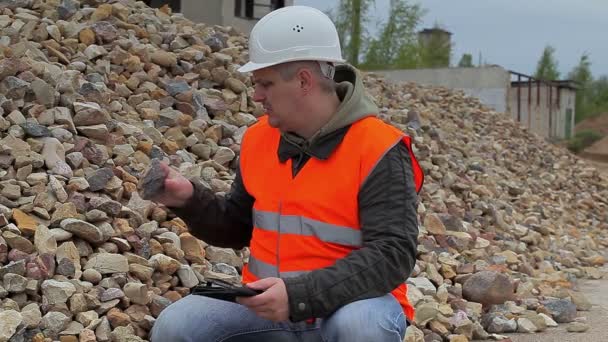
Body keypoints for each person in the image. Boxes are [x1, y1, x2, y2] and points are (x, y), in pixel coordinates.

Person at [149, 5, 424, 342]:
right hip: (267, 307)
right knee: (178, 325)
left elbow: (393, 253)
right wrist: (189, 199)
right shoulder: (259, 138)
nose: (257, 95)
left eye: (265, 83)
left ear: (304, 81)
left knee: (362, 329)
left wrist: (298, 295)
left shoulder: (379, 147)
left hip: (349, 306)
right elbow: (238, 227)